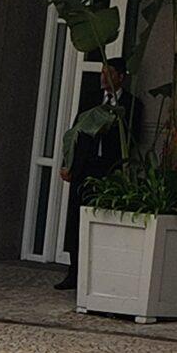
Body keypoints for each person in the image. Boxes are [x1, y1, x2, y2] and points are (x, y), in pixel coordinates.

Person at [57, 59, 139, 291]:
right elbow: (75, 133)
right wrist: (68, 164)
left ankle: (99, 274)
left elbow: (134, 137)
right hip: (85, 166)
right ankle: (73, 271)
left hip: (110, 169)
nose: (103, 78)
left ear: (121, 76)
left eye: (109, 73)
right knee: (77, 218)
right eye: (101, 73)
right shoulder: (90, 99)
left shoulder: (132, 105)